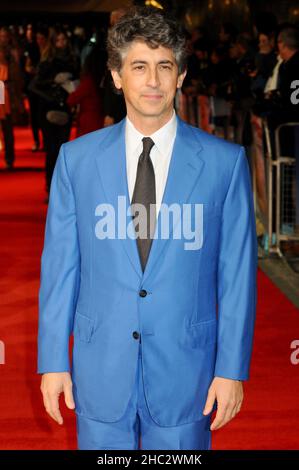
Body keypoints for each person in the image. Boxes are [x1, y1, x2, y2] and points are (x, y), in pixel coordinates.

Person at [38, 7, 257, 450]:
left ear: (181, 76)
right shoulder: (77, 161)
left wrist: (231, 369)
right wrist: (53, 360)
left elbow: (237, 278)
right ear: (117, 77)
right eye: (139, 67)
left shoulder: (224, 163)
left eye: (164, 67)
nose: (152, 80)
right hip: (99, 370)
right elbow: (60, 269)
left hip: (187, 371)